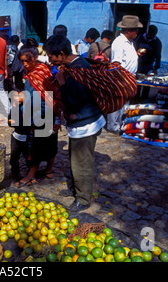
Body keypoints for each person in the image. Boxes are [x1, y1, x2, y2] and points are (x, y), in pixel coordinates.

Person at [44, 34, 105, 212]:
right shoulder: (75, 66)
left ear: (62, 53)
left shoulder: (79, 70)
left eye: (52, 57)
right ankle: (75, 189)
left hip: (85, 125)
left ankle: (84, 199)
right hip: (81, 124)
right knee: (75, 160)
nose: (50, 61)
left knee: (82, 164)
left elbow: (75, 101)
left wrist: (62, 84)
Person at [14, 43, 62, 188]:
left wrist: (23, 100)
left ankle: (31, 174)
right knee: (48, 141)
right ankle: (48, 170)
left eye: (28, 61)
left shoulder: (39, 73)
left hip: (42, 113)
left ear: (35, 57)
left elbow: (40, 96)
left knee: (38, 144)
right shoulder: (39, 70)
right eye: (22, 61)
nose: (25, 64)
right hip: (44, 111)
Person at [107, 15, 143, 134]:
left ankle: (120, 125)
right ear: (129, 30)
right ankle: (113, 127)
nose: (137, 32)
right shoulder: (119, 43)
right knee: (117, 104)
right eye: (136, 29)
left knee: (124, 105)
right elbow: (116, 63)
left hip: (128, 78)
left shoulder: (130, 42)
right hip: (121, 78)